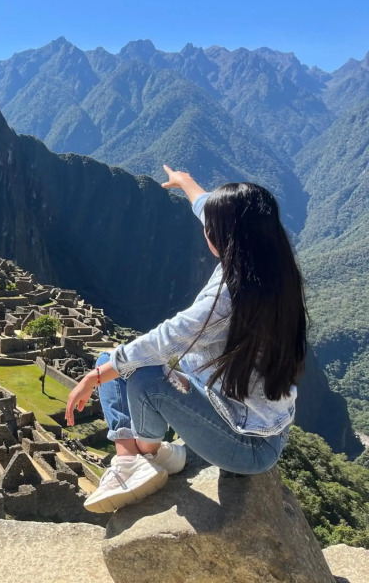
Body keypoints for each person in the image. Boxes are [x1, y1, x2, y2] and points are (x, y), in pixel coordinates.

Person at [66, 165, 307, 513]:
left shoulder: (226, 298)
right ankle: (133, 454)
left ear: (221, 237)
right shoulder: (267, 260)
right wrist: (186, 183)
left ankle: (143, 457)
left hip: (248, 443)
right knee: (111, 360)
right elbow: (209, 208)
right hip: (224, 397)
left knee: (142, 376)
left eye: (210, 228)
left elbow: (167, 338)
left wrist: (91, 379)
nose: (205, 230)